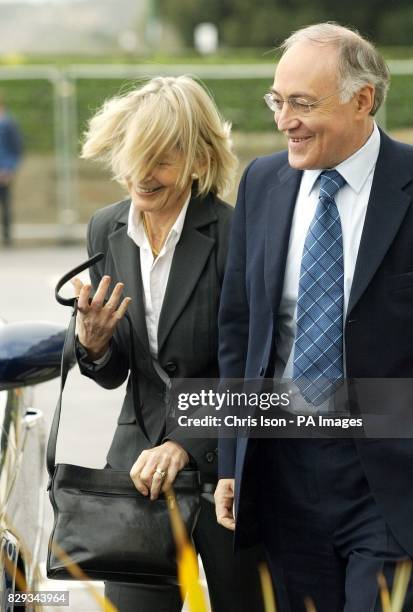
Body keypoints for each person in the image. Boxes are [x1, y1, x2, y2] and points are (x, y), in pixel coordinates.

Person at [215, 22, 413, 612]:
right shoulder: (262, 181)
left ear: (364, 100)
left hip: (390, 479)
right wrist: (232, 458)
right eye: (278, 101)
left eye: (303, 104)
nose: (284, 120)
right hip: (282, 473)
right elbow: (239, 333)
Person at [72, 76, 264, 612]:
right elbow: (114, 373)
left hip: (226, 469)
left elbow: (255, 365)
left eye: (160, 160)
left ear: (200, 157)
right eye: (133, 157)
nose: (141, 176)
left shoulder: (237, 234)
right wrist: (94, 344)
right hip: (137, 473)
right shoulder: (105, 227)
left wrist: (184, 442)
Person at [0, 91, 23, 247]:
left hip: (3, 171)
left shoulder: (8, 123)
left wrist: (9, 168)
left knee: (5, 204)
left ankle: (7, 237)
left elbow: (16, 148)